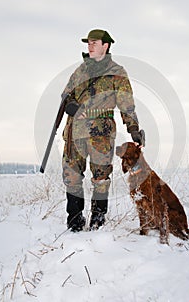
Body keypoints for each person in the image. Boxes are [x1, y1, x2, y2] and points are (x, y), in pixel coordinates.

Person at [62, 29, 145, 232]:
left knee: (101, 178)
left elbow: (127, 105)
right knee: (72, 176)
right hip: (75, 132)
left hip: (101, 134)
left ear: (105, 45)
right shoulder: (80, 71)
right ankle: (74, 221)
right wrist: (71, 106)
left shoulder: (117, 71)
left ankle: (98, 220)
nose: (90, 46)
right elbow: (66, 95)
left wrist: (133, 129)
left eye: (94, 42)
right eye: (88, 43)